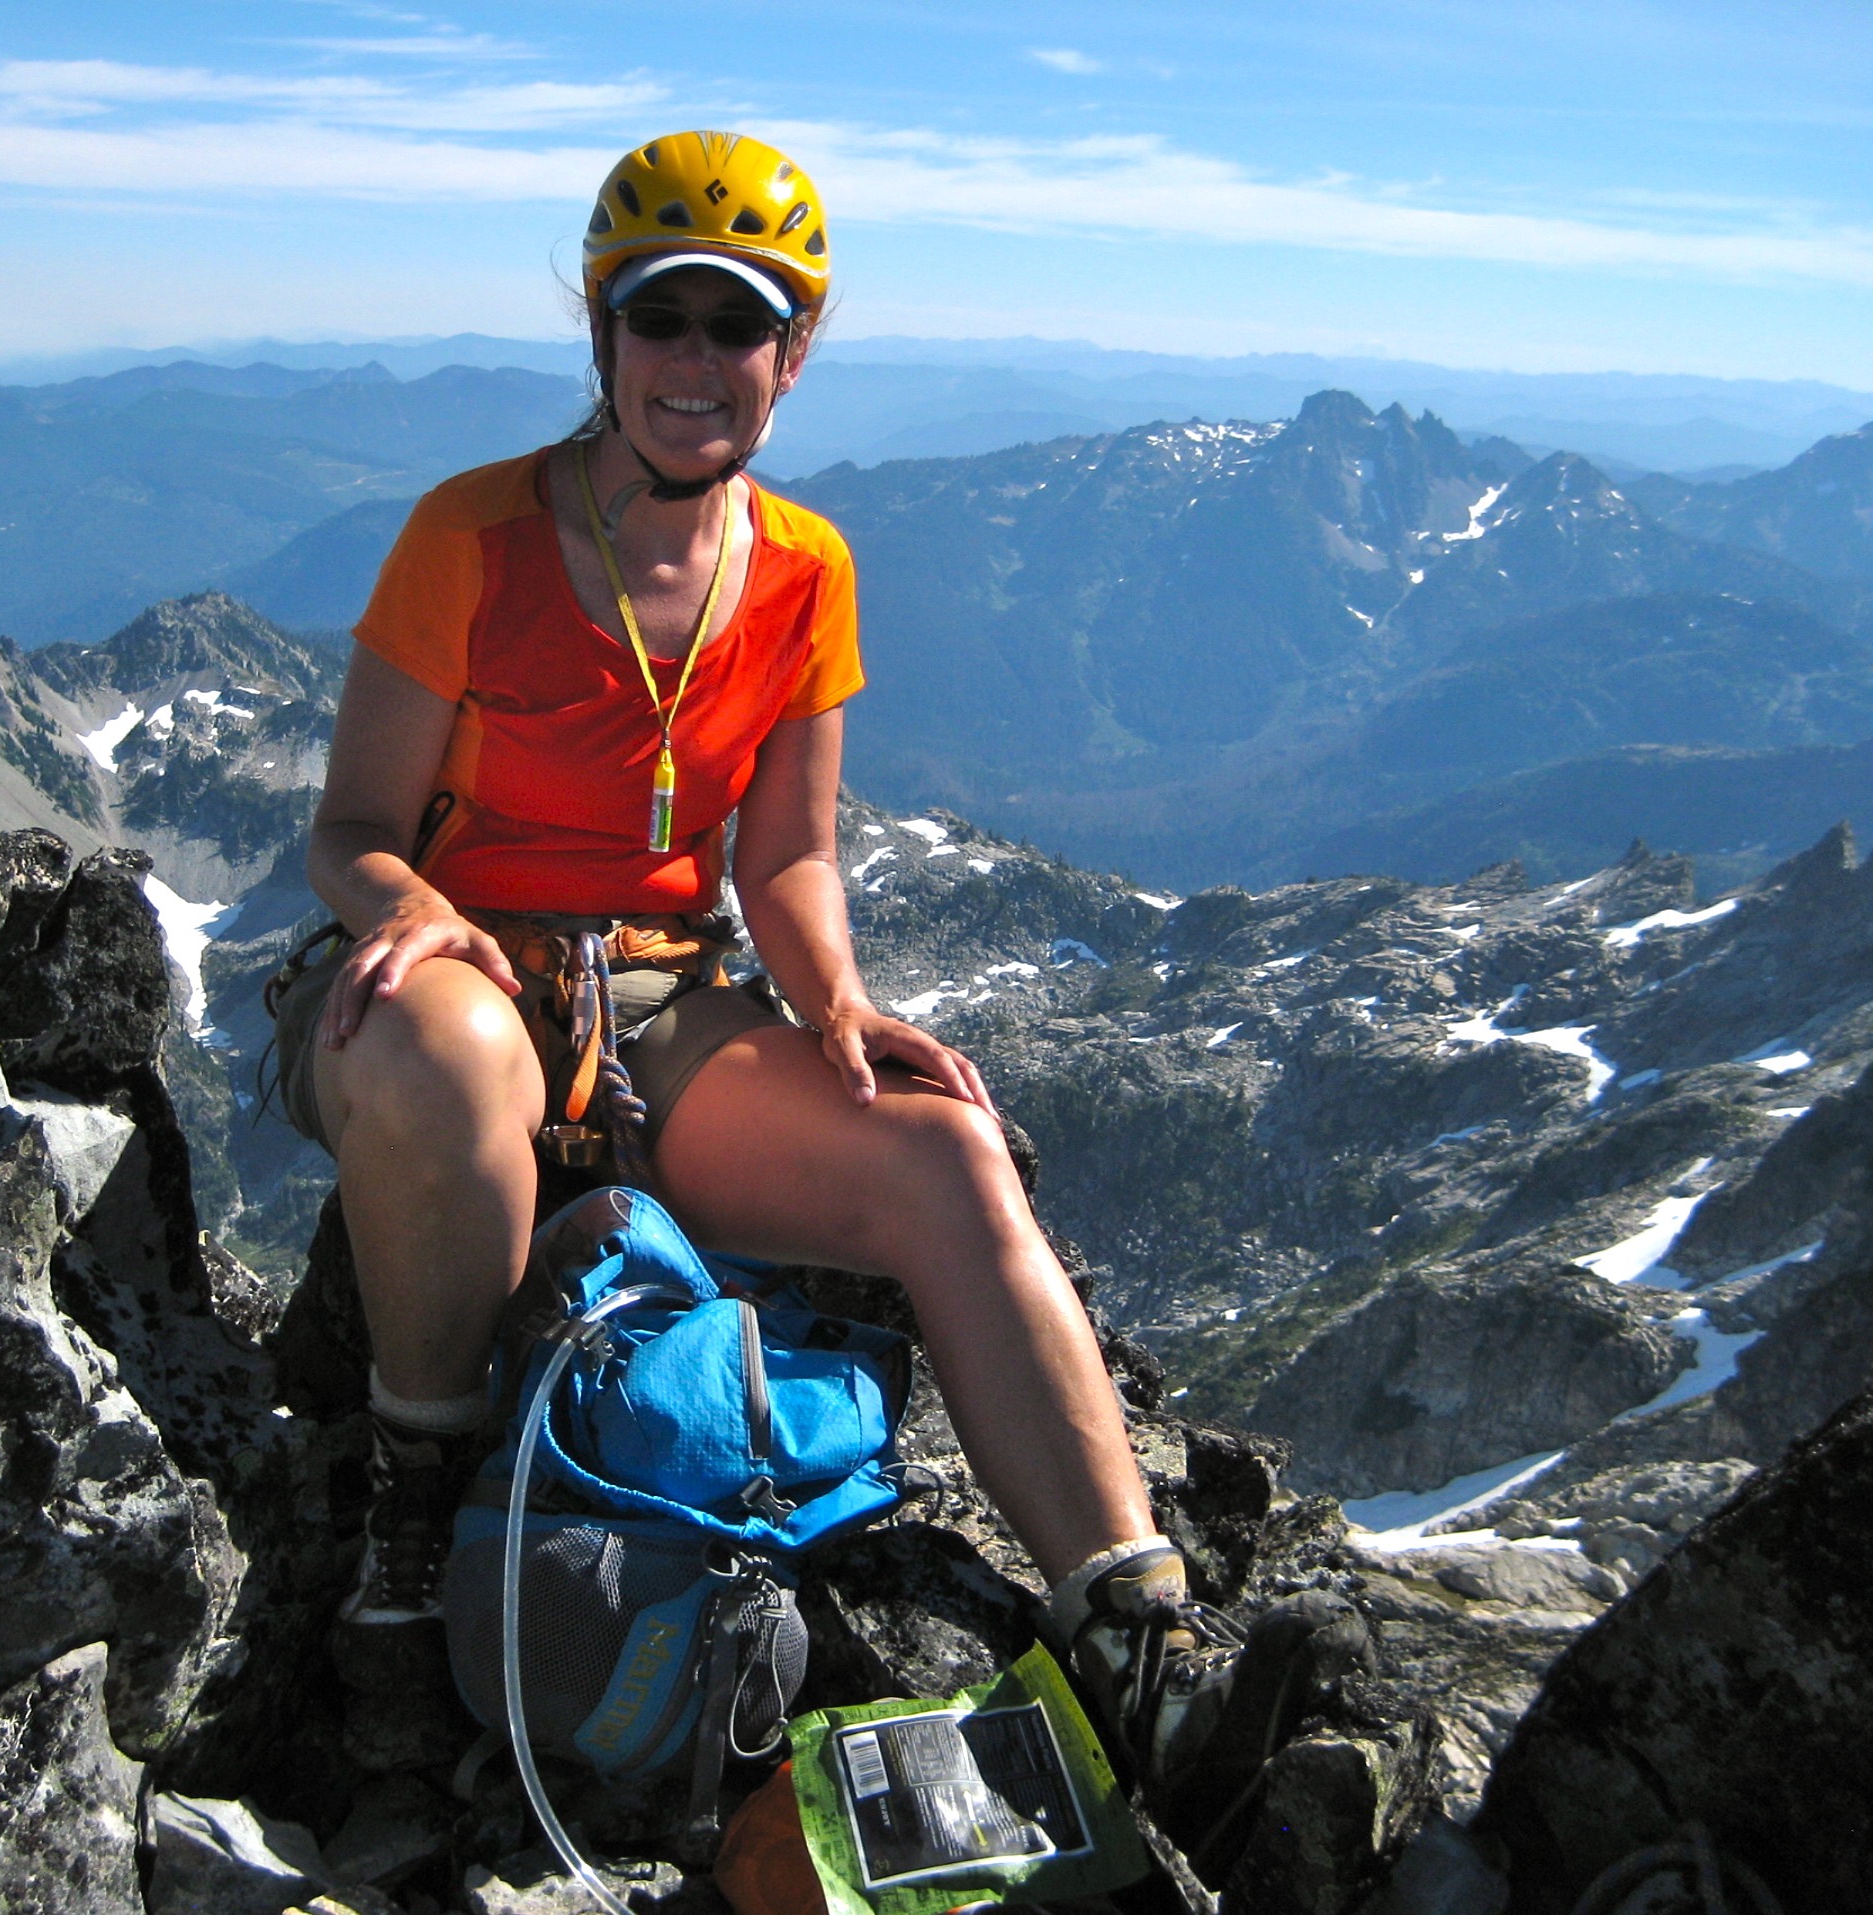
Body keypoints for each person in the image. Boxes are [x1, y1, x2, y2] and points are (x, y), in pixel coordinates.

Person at [268, 129, 1359, 1817]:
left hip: (657, 995)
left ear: (795, 353)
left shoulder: (805, 574)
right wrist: (407, 907)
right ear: (605, 330)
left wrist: (836, 1004)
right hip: (440, 978)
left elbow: (781, 855)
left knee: (945, 1155)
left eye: (740, 325)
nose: (697, 359)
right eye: (662, 316)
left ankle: (1133, 1640)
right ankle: (417, 1507)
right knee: (455, 1056)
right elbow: (347, 826)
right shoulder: (467, 538)